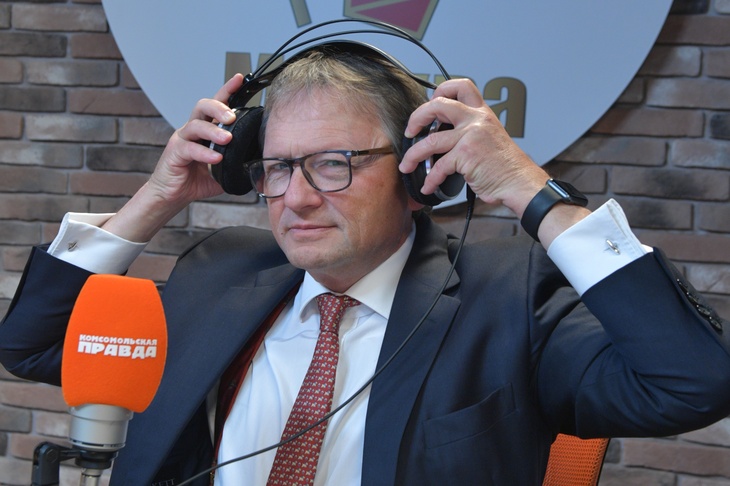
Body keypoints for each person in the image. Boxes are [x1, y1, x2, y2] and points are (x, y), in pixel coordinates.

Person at [1, 39, 730, 486]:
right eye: (278, 167)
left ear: (420, 173)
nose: (297, 198)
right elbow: (33, 345)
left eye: (334, 164)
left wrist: (528, 189)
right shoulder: (219, 273)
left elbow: (692, 382)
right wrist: (156, 198)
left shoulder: (508, 297)